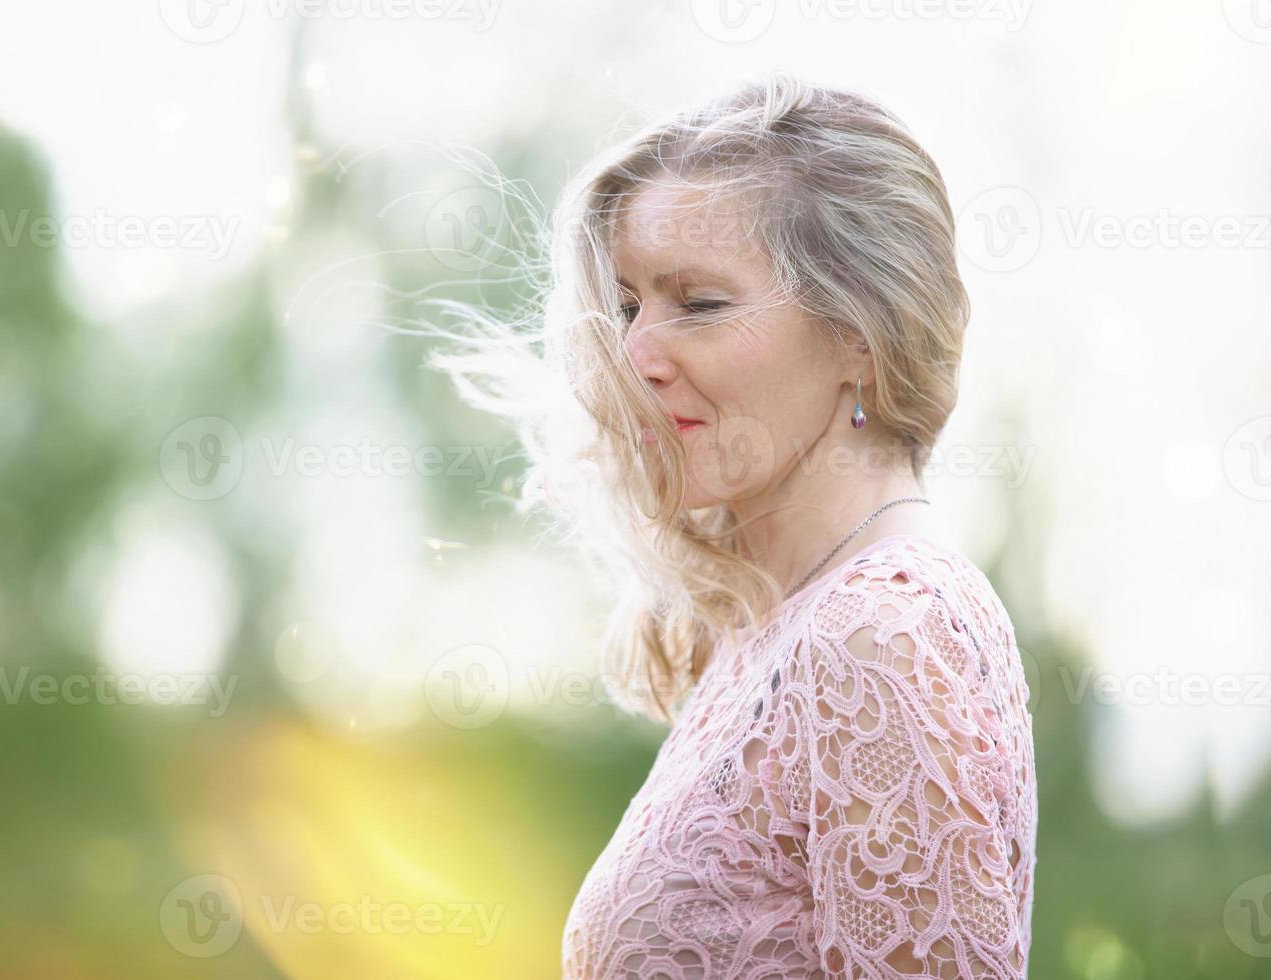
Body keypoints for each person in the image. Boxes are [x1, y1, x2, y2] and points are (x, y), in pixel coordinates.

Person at [428, 71, 1037, 978]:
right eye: (629, 306)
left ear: (859, 333)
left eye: (699, 304)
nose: (633, 355)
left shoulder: (884, 632)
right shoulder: (791, 626)